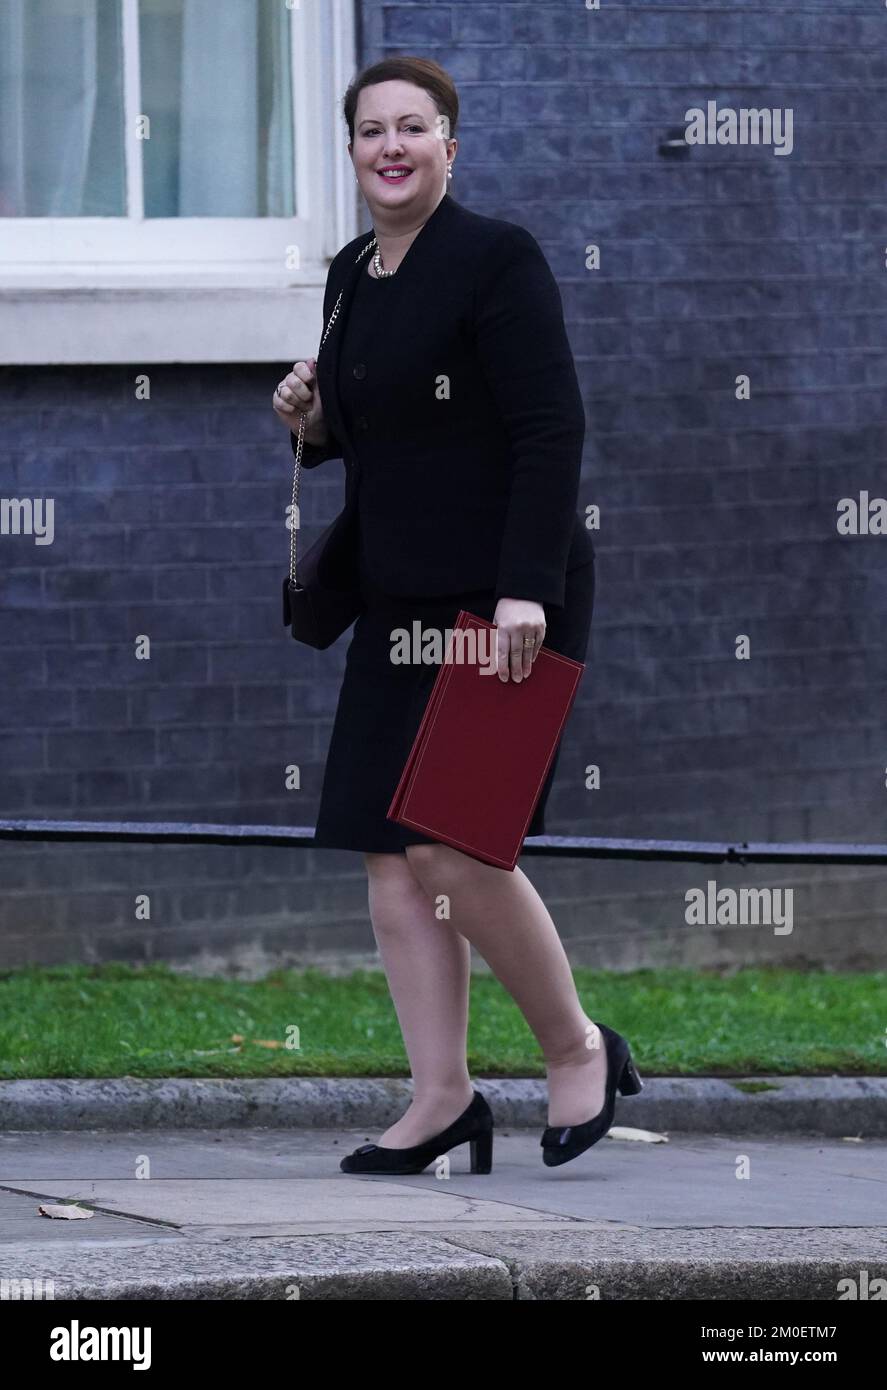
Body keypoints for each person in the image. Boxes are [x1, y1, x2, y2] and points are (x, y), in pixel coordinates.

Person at [272, 57, 641, 1174]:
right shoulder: (351, 274)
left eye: (413, 129)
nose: (391, 147)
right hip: (396, 598)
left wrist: (525, 584)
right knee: (390, 854)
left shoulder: (497, 258)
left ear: (449, 145)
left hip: (503, 599)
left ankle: (577, 1048)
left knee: (459, 843)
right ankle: (441, 1096)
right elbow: (379, 426)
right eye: (370, 132)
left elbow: (547, 428)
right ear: (351, 153)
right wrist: (312, 412)